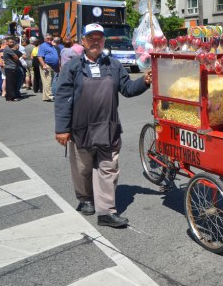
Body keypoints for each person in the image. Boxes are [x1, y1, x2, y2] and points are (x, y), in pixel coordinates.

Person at [54, 23, 152, 228]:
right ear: (83, 41)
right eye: (91, 38)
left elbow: (127, 88)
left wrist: (144, 81)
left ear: (103, 41)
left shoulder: (114, 65)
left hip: (109, 127)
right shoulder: (72, 66)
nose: (95, 41)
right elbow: (63, 98)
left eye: (99, 38)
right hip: (81, 128)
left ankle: (106, 211)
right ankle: (85, 199)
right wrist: (62, 128)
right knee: (82, 169)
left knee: (109, 168)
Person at [37, 34, 59, 102]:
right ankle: (49, 96)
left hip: (53, 66)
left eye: (51, 39)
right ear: (45, 39)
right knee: (47, 81)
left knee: (49, 81)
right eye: (48, 39)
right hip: (46, 65)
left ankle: (46, 97)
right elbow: (39, 56)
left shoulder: (51, 46)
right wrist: (43, 65)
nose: (49, 40)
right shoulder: (43, 46)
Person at [2, 37, 22, 101]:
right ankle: (11, 97)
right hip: (10, 68)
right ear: (7, 42)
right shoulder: (8, 49)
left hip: (11, 67)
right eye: (10, 42)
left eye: (12, 42)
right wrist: (16, 56)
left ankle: (10, 96)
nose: (12, 43)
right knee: (10, 83)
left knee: (11, 82)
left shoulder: (8, 49)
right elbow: (16, 57)